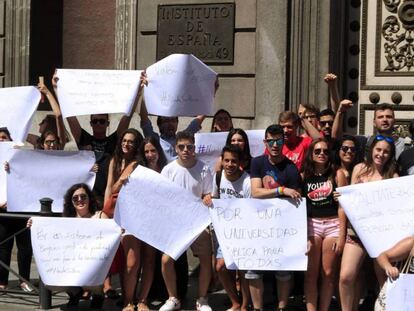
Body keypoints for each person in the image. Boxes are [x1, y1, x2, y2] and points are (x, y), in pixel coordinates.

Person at [53, 72, 144, 204]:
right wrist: (58, 89)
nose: (98, 124)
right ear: (90, 123)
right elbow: (70, 116)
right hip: (86, 198)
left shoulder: (114, 141)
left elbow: (127, 116)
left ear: (107, 124)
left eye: (102, 121)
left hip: (108, 194)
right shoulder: (84, 139)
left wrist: (138, 92)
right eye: (95, 121)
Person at [339, 134, 398, 311]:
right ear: (372, 149)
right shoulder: (359, 169)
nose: (381, 154)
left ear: (391, 155)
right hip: (356, 233)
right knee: (346, 277)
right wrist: (341, 196)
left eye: (386, 152)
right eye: (378, 149)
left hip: (381, 237)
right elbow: (349, 199)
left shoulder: (393, 176)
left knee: (384, 279)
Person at [27, 183, 108, 308]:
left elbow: (111, 235)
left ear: (89, 198)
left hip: (93, 264)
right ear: (71, 202)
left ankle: (98, 294)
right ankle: (75, 292)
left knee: (92, 277)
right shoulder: (66, 220)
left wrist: (118, 230)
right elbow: (50, 233)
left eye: (83, 196)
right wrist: (35, 224)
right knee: (50, 282)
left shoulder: (100, 216)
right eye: (75, 198)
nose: (79, 200)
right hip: (71, 263)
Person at [159, 131, 213, 311]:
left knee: (206, 260)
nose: (186, 150)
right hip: (175, 224)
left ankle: (202, 299)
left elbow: (208, 193)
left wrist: (207, 197)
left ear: (194, 148)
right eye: (181, 147)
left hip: (198, 222)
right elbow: (162, 196)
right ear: (176, 148)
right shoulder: (168, 169)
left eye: (189, 147)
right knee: (166, 261)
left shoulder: (204, 169)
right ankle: (173, 298)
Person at [250, 124, 301, 311]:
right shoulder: (257, 162)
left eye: (278, 140)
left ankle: (282, 307)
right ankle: (257, 308)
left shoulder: (291, 168)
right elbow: (255, 192)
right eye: (271, 140)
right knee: (253, 269)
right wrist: (281, 190)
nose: (275, 144)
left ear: (283, 141)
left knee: (283, 269)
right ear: (265, 142)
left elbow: (297, 197)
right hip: (259, 224)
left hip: (282, 226)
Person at [301, 138, 347, 311]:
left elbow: (343, 206)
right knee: (310, 274)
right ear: (311, 154)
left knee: (328, 273)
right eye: (318, 151)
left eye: (326, 151)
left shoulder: (337, 173)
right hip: (311, 225)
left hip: (333, 224)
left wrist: (342, 236)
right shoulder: (304, 174)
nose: (322, 154)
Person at [103, 128, 144, 311]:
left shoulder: (140, 164)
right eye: (124, 140)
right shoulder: (115, 160)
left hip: (132, 216)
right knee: (112, 257)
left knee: (132, 262)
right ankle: (108, 292)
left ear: (136, 145)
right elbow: (109, 189)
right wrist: (106, 212)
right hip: (113, 213)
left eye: (131, 141)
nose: (126, 144)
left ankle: (129, 300)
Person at [210, 145, 251, 311]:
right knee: (220, 266)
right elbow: (214, 198)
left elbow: (250, 209)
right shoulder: (218, 177)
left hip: (242, 231)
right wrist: (209, 200)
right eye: (226, 160)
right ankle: (235, 301)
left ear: (240, 162)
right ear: (222, 160)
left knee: (242, 270)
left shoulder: (247, 181)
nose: (229, 164)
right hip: (224, 231)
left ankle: (245, 305)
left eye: (234, 161)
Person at [0, 128, 33, 293]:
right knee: (4, 247)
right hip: (3, 211)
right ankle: (2, 282)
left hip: (21, 208)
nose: (1, 141)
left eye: (4, 138)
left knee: (25, 246)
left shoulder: (19, 157)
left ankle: (24, 280)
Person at [26, 79, 68, 149]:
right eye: (48, 142)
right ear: (42, 144)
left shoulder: (59, 148)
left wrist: (47, 92)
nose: (51, 145)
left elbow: (59, 115)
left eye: (54, 142)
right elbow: (22, 135)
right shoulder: (38, 142)